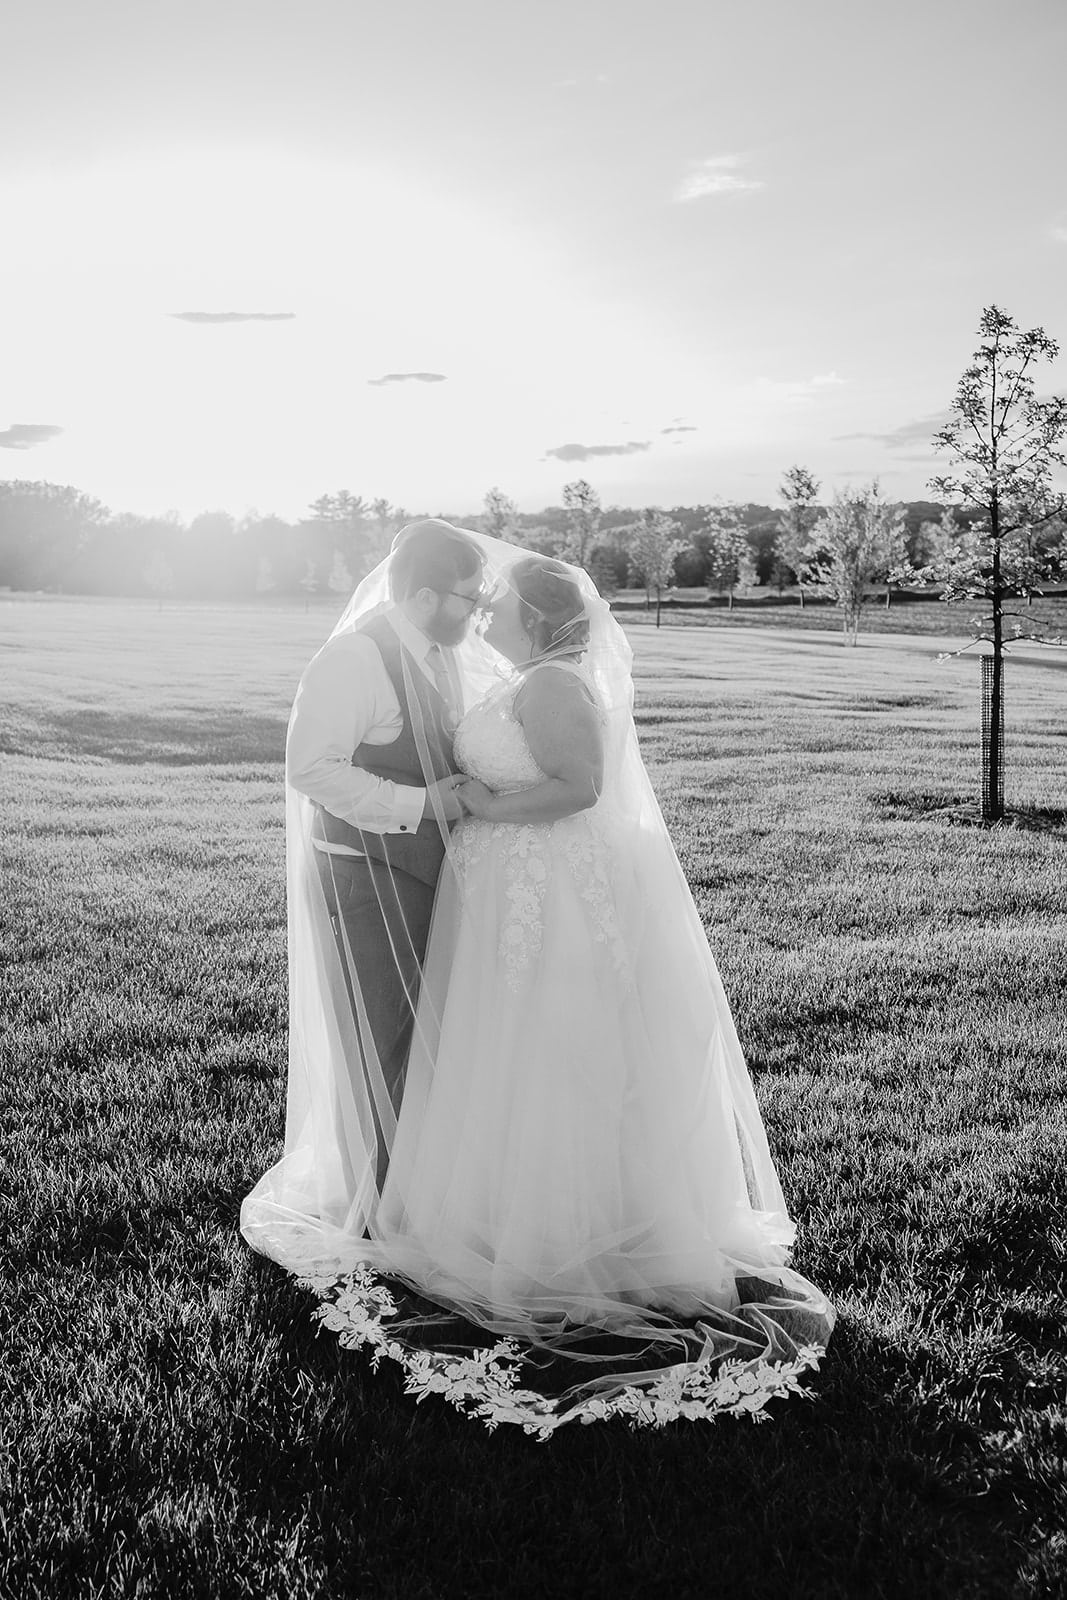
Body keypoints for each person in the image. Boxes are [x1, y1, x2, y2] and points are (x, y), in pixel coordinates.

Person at [242, 526, 834, 1429]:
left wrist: (473, 806)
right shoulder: (357, 661)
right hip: (384, 870)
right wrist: (434, 805)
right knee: (400, 1035)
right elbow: (311, 768)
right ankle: (387, 1194)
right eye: (468, 600)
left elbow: (569, 777)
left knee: (484, 1041)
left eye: (496, 604)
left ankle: (469, 1204)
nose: (481, 615)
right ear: (423, 592)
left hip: (512, 883)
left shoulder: (483, 665)